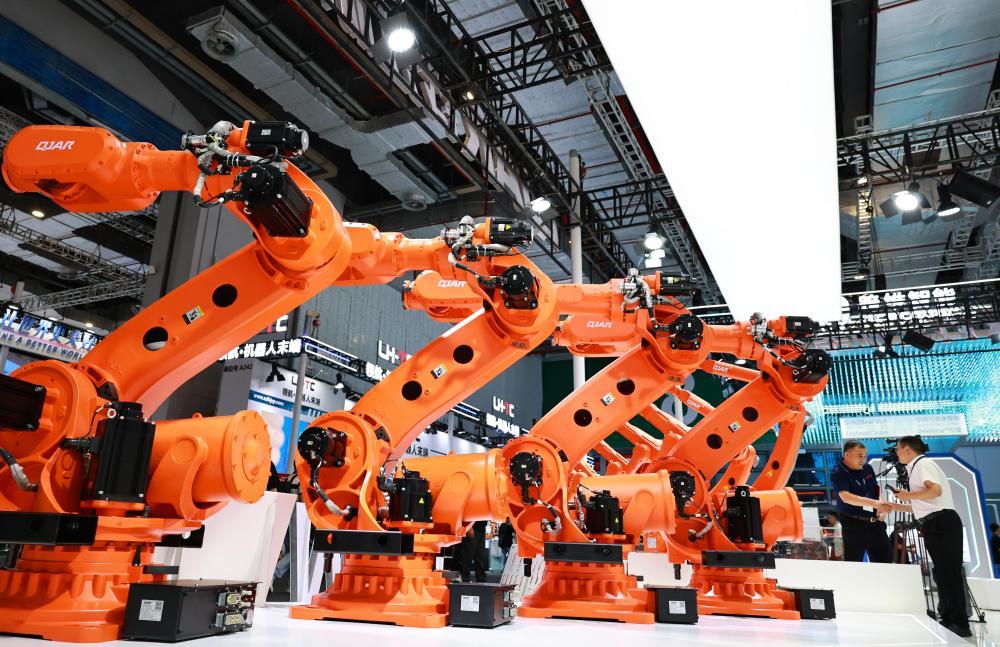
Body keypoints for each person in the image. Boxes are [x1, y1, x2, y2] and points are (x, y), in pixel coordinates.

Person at [879, 436, 971, 638]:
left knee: (949, 573)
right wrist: (896, 505)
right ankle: (949, 617)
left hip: (942, 522)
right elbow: (921, 505)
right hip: (933, 523)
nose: (895, 453)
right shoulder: (915, 467)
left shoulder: (922, 464)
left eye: (897, 449)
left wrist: (907, 495)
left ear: (908, 449)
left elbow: (935, 491)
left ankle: (960, 623)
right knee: (943, 573)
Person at [829, 440, 892, 563]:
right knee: (854, 565)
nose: (863, 459)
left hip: (875, 524)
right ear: (847, 455)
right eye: (859, 456)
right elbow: (846, 497)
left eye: (865, 456)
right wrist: (874, 503)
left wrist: (881, 506)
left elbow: (876, 490)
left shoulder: (867, 468)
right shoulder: (838, 472)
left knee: (885, 563)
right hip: (853, 525)